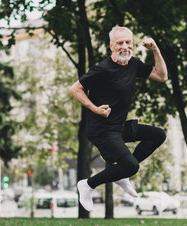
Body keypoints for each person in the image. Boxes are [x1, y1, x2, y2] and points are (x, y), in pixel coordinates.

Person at [69, 25, 168, 211]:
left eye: (128, 42)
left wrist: (155, 50)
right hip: (102, 129)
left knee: (158, 135)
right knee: (131, 166)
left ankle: (121, 173)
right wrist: (95, 108)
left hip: (118, 126)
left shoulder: (133, 64)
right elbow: (75, 88)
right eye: (120, 43)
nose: (125, 46)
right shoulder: (103, 69)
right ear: (111, 46)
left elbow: (162, 76)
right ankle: (87, 184)